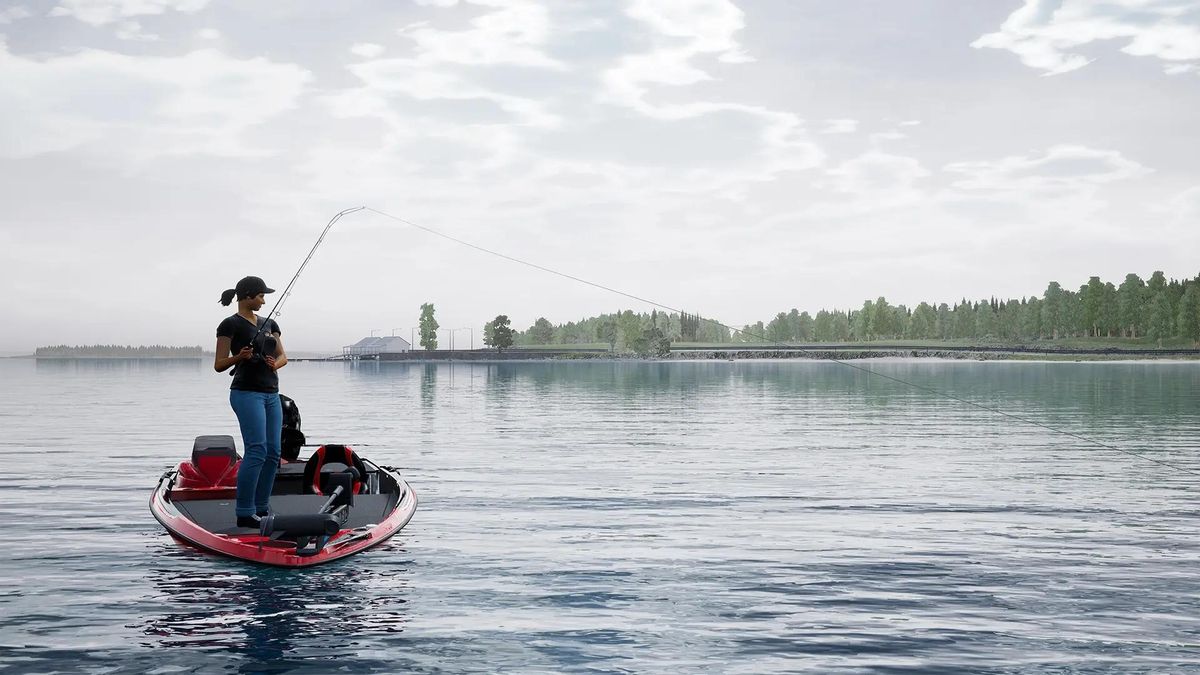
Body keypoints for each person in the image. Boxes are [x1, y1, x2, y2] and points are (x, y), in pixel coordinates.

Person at [214, 276, 288, 528]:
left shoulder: (271, 324)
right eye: (260, 296)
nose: (264, 300)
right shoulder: (229, 325)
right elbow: (218, 365)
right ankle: (244, 512)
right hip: (246, 393)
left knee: (273, 453)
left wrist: (273, 364)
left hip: (271, 393)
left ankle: (261, 508)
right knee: (256, 450)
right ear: (246, 296)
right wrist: (240, 357)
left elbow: (282, 357)